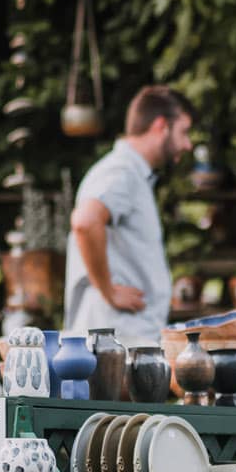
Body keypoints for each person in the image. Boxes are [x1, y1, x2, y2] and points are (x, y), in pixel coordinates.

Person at [65, 85, 195, 338]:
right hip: (116, 343)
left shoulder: (134, 175)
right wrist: (108, 291)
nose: (188, 144)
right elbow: (85, 221)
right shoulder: (121, 171)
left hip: (124, 340)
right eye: (184, 132)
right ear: (161, 126)